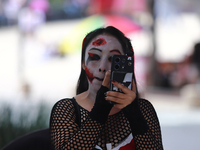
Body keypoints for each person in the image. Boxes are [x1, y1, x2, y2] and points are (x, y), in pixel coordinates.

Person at [49, 26, 163, 150]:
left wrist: (135, 115)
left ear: (127, 64)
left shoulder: (143, 109)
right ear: (82, 63)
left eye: (113, 59)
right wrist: (100, 110)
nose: (103, 67)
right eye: (95, 57)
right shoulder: (66, 109)